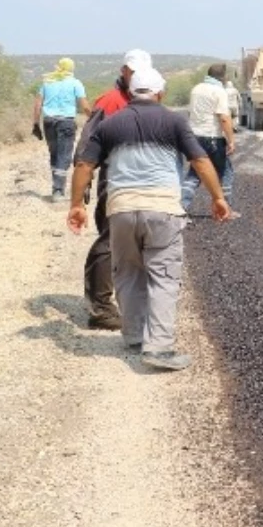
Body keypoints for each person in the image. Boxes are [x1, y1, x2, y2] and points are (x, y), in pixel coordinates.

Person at [67, 66, 231, 371]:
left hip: (121, 209)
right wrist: (218, 198)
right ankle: (158, 348)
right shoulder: (173, 121)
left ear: (130, 92)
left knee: (127, 272)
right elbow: (200, 160)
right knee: (163, 277)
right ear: (160, 93)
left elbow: (84, 166)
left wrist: (76, 205)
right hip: (162, 210)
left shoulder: (110, 124)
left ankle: (133, 336)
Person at [74, 49, 153, 331]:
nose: (135, 76)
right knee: (111, 239)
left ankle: (122, 299)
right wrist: (82, 182)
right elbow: (87, 142)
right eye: (132, 71)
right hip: (116, 177)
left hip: (141, 178)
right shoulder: (111, 100)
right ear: (124, 71)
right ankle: (100, 308)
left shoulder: (143, 98)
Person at [181, 63, 239, 216]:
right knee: (225, 172)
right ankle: (226, 209)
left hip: (194, 137)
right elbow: (224, 118)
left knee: (194, 173)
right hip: (212, 138)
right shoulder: (219, 91)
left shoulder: (196, 89)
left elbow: (190, 113)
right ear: (223, 77)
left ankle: (181, 208)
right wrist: (231, 140)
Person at [32, 57, 92, 198]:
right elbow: (84, 105)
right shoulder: (75, 83)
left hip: (49, 122)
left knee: (54, 154)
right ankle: (58, 190)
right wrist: (94, 118)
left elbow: (37, 104)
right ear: (71, 68)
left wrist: (35, 123)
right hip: (66, 122)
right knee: (64, 155)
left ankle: (57, 187)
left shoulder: (47, 82)